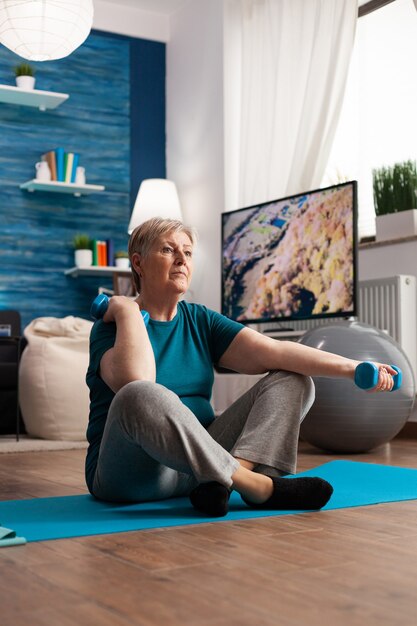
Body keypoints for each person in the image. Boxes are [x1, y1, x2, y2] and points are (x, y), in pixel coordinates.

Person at [85, 217, 396, 517]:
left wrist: (354, 368)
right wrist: (128, 312)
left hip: (197, 470)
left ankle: (222, 482)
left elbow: (274, 351)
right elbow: (137, 380)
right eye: (168, 250)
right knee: (138, 393)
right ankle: (253, 485)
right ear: (138, 264)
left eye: (188, 252)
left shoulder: (200, 320)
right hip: (130, 476)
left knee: (293, 380)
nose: (181, 258)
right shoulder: (110, 327)